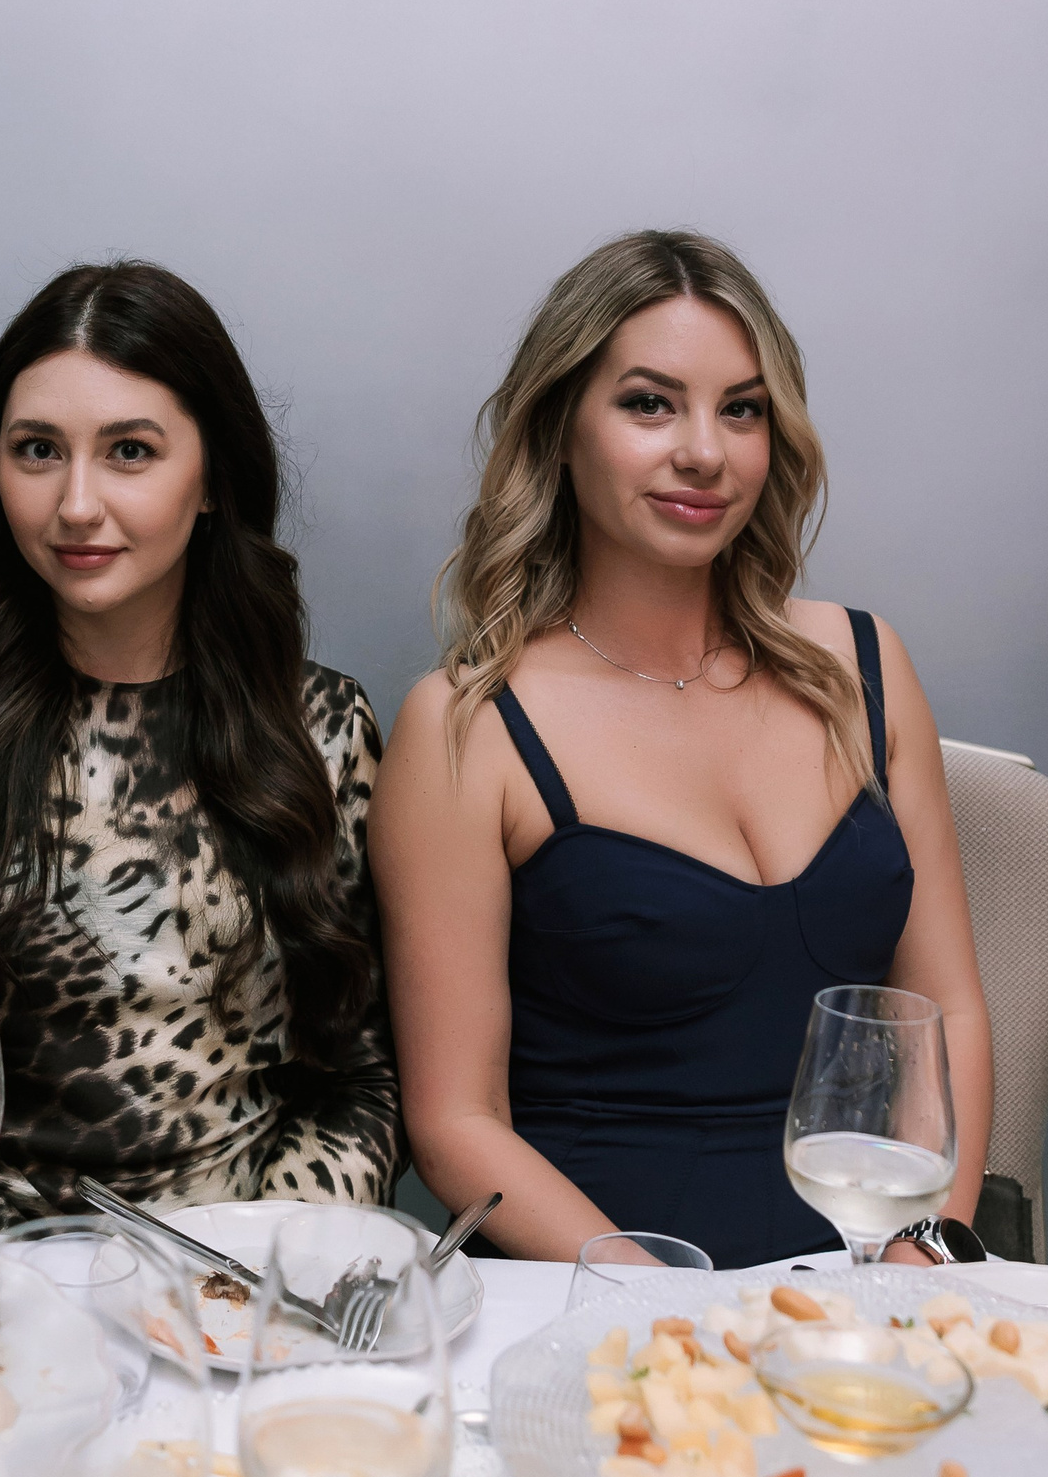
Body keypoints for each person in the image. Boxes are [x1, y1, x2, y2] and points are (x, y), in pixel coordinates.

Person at [369, 228, 989, 1271]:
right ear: (561, 430)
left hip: (870, 1278)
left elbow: (950, 1013)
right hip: (600, 1297)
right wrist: (664, 1311)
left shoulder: (864, 667)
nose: (704, 451)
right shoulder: (469, 728)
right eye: (650, 404)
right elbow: (455, 1122)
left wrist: (923, 1260)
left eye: (741, 409)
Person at [0, 259, 400, 1224]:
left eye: (130, 451)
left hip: (234, 1270)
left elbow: (360, 1082)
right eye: (38, 450)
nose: (76, 503)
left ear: (213, 480)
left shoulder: (322, 727)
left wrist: (264, 1257)